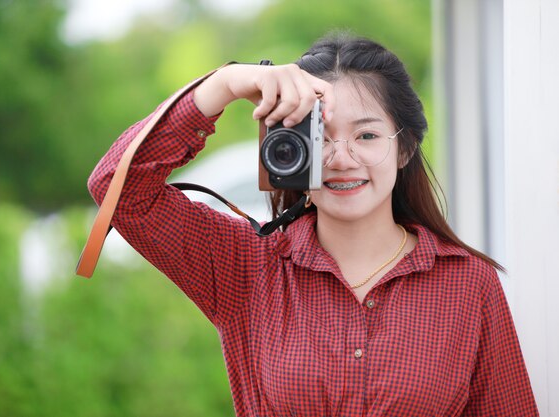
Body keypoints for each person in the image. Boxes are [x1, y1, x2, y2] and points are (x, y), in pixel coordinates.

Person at [87, 33, 538, 416]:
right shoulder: (246, 266)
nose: (342, 159)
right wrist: (225, 82)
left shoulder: (468, 283)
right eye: (319, 136)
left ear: (404, 150)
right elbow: (117, 189)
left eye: (366, 135)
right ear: (288, 149)